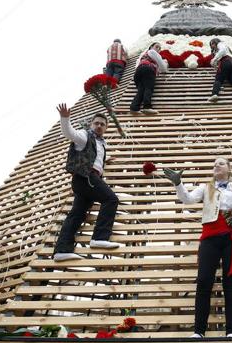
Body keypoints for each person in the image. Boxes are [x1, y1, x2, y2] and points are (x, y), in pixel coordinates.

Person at [164, 158, 232, 338]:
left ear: (229, 169)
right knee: (204, 282)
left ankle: (231, 332)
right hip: (210, 238)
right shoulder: (206, 187)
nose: (216, 165)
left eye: (220, 163)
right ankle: (199, 331)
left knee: (231, 284)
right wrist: (178, 183)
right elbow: (188, 199)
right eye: (214, 164)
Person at [53, 104, 120, 262]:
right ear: (91, 124)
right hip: (86, 177)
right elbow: (70, 133)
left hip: (85, 180)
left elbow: (94, 156)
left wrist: (105, 160)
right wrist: (65, 118)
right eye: (96, 123)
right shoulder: (85, 136)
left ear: (106, 128)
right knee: (111, 199)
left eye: (102, 124)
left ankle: (61, 250)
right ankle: (99, 237)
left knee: (76, 214)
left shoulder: (102, 144)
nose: (99, 126)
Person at [131, 42, 168, 115]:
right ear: (151, 47)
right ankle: (147, 107)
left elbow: (137, 65)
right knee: (148, 88)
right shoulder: (152, 52)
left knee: (141, 90)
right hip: (148, 69)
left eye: (159, 48)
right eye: (157, 47)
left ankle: (134, 108)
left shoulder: (142, 56)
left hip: (138, 72)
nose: (158, 49)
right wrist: (165, 63)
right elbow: (163, 68)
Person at [208, 38, 232, 103]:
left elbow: (222, 51)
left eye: (212, 43)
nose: (212, 46)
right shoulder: (226, 49)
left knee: (218, 79)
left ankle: (214, 94)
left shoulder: (220, 44)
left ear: (215, 42)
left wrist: (214, 59)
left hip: (225, 62)